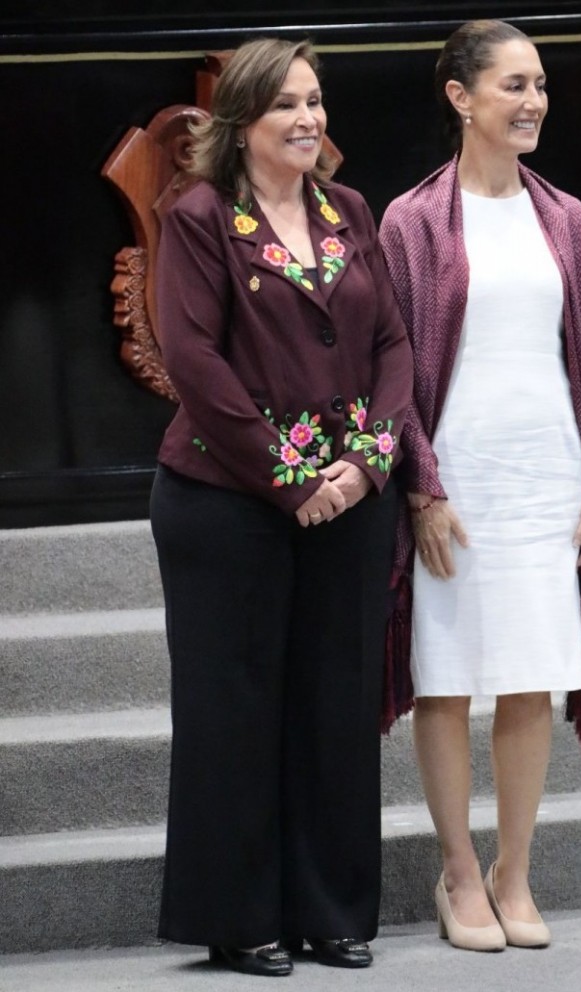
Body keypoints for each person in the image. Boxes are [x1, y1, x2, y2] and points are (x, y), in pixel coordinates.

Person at [150, 37, 412, 976]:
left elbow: (394, 346)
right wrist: (293, 480)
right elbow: (194, 363)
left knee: (337, 703)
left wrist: (365, 467)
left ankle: (330, 911)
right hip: (227, 502)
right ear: (242, 124)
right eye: (286, 106)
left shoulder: (350, 209)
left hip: (351, 497)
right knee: (235, 708)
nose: (308, 119)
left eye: (314, 101)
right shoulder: (199, 217)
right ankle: (240, 917)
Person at [379, 19, 581, 953]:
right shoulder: (411, 220)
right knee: (447, 682)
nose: (534, 102)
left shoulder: (565, 217)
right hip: (454, 482)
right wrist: (422, 489)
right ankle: (458, 874)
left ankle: (512, 873)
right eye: (514, 85)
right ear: (461, 97)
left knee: (530, 678)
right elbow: (391, 368)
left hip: (547, 479)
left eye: (541, 85)